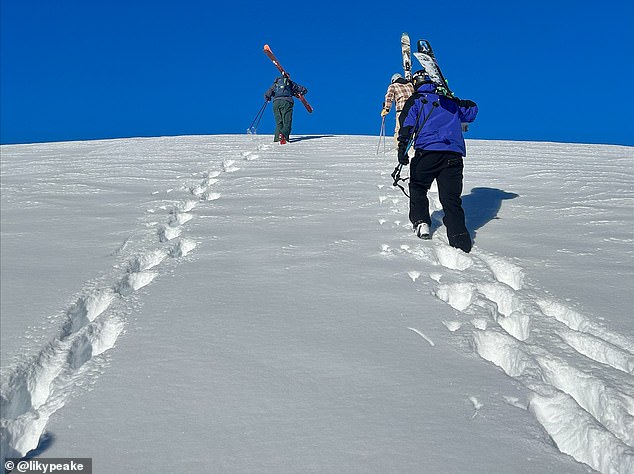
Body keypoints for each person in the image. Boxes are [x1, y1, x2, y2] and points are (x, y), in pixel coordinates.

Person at [397, 69, 478, 253]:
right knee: (451, 199)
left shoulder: (417, 100)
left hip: (428, 152)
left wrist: (402, 148)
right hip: (453, 156)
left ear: (416, 83)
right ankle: (460, 241)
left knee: (417, 187)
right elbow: (472, 111)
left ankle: (421, 222)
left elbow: (407, 123)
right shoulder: (449, 102)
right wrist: (453, 97)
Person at [264, 74, 308, 144]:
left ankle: (277, 139)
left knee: (279, 122)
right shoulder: (290, 83)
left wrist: (268, 98)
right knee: (287, 121)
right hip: (287, 102)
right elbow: (303, 89)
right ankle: (284, 136)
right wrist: (302, 92)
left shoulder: (275, 84)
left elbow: (267, 93)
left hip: (276, 103)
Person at [381, 73, 415, 145]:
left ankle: (400, 146)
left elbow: (389, 97)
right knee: (413, 128)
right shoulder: (410, 85)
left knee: (399, 128)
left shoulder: (393, 86)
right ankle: (413, 145)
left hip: (402, 110)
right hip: (413, 110)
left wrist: (386, 109)